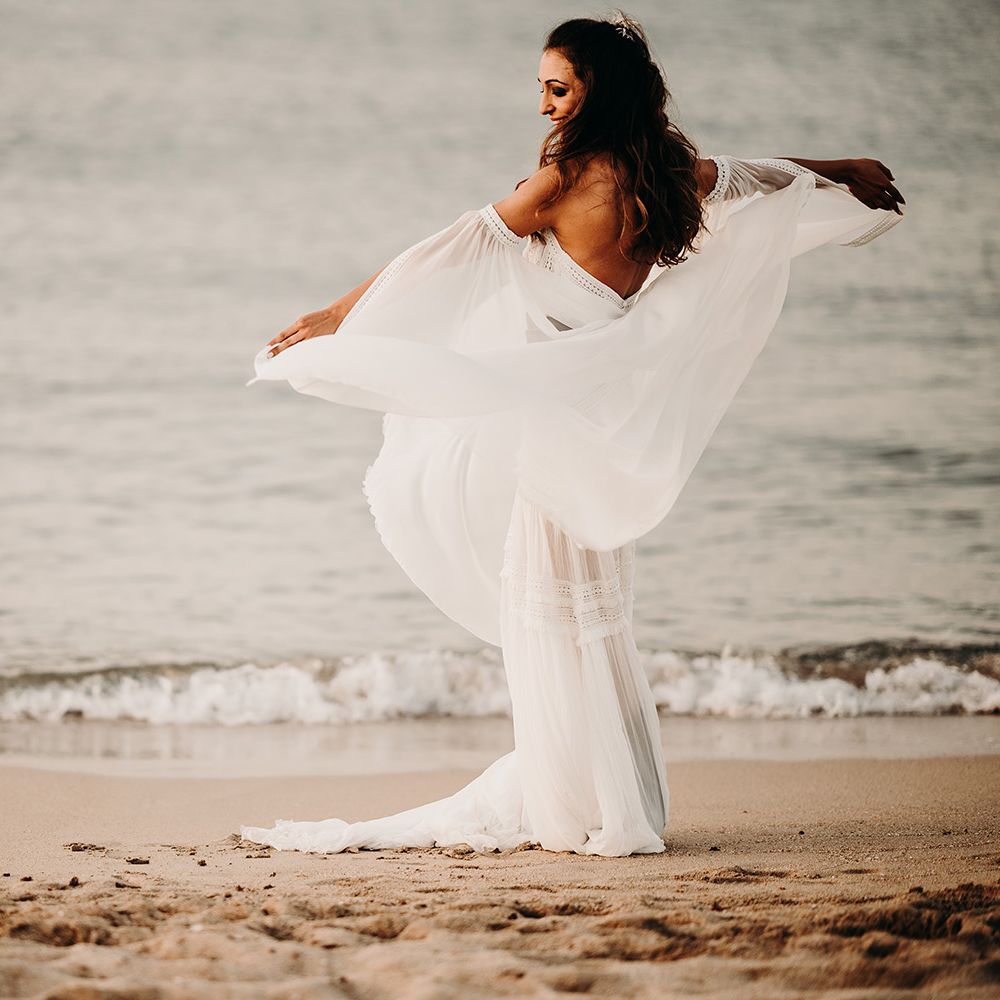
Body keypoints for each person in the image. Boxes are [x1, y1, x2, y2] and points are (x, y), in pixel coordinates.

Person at [241, 13, 904, 857]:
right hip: (595, 414)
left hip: (553, 418)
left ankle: (573, 801)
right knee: (591, 610)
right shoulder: (669, 171)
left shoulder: (565, 178)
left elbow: (448, 252)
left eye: (557, 89)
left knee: (548, 607)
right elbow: (758, 178)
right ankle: (613, 795)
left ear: (599, 92)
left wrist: (340, 316)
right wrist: (842, 169)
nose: (544, 106)